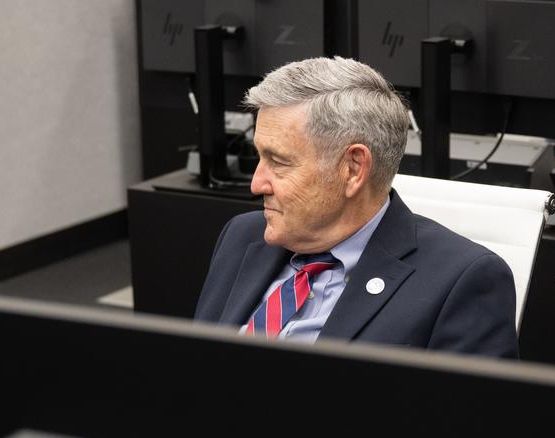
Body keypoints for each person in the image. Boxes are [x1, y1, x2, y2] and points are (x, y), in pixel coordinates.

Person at [194, 57, 518, 357]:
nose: (256, 184)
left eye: (279, 163)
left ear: (352, 169)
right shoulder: (242, 236)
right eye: (259, 157)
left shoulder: (461, 281)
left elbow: (467, 417)